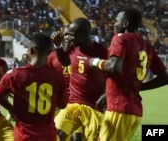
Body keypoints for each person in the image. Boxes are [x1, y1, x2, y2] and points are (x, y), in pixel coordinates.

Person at [89, 8, 168, 141]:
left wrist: (94, 62)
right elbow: (164, 78)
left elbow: (114, 66)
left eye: (117, 21)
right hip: (134, 111)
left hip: (119, 107)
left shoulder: (121, 39)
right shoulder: (147, 46)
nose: (114, 24)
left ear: (125, 24)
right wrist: (137, 87)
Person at [0, 33, 68, 141]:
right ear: (49, 53)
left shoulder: (15, 75)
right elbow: (63, 104)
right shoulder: (58, 77)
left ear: (30, 50)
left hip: (25, 136)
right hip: (48, 136)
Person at [53, 17, 108, 141]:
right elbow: (65, 62)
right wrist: (57, 46)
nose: (69, 38)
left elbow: (116, 75)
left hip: (93, 107)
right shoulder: (73, 47)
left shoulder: (101, 52)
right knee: (52, 136)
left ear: (85, 35)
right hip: (73, 104)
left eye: (73, 35)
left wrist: (107, 93)